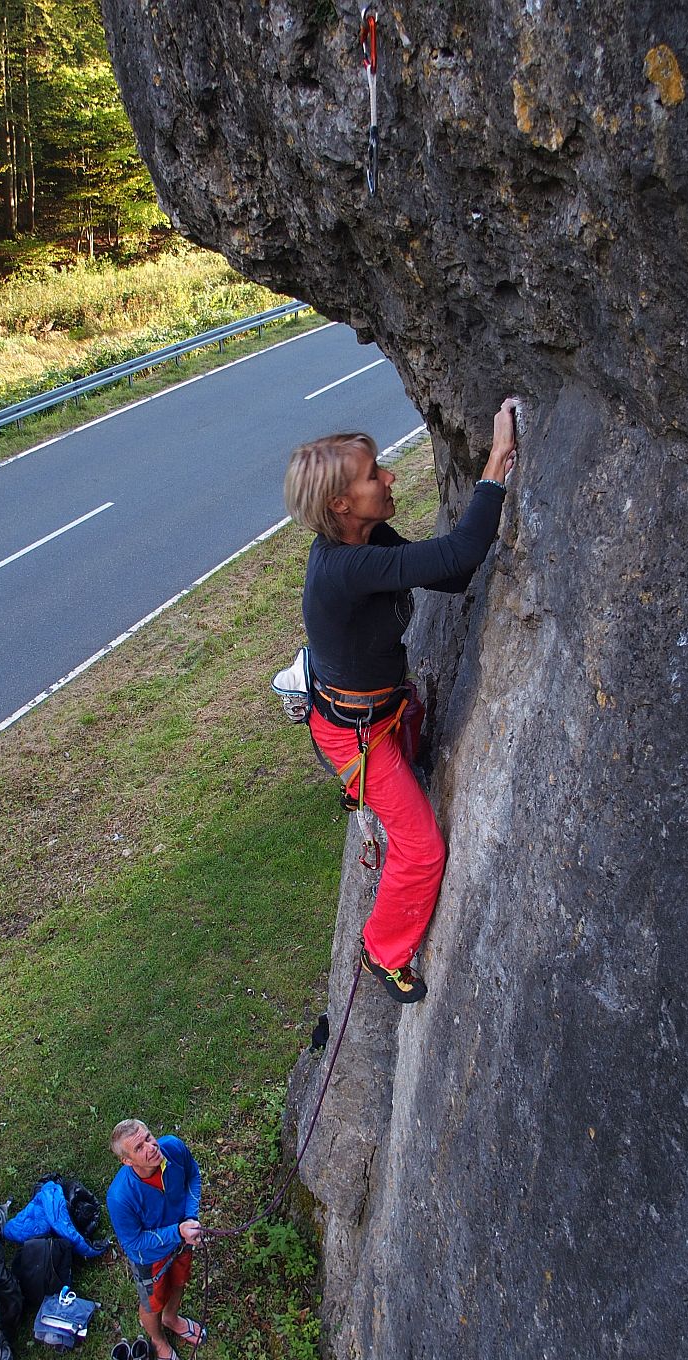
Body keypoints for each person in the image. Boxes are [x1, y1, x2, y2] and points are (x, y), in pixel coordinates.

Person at [283, 398, 518, 1004]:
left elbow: (449, 575)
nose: (388, 477)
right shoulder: (347, 567)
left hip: (382, 711)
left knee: (410, 755)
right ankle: (384, 951)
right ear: (340, 504)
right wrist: (497, 462)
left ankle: (392, 782)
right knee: (419, 847)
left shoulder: (365, 537)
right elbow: (459, 555)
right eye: (373, 474)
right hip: (357, 734)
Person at [106, 1119, 205, 1360]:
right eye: (139, 1147)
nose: (151, 1147)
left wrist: (190, 1217)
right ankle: (158, 1341)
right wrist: (177, 1231)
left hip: (182, 1238)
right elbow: (133, 1242)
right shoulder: (120, 1196)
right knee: (152, 1304)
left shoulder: (172, 1147)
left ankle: (172, 1318)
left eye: (149, 1137)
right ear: (128, 1161)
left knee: (181, 1281)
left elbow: (193, 1175)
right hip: (150, 1258)